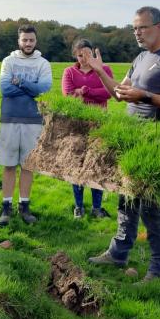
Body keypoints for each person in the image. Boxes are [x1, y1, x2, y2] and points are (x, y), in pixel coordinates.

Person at [87, 6, 160, 282]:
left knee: (152, 208)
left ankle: (158, 270)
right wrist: (99, 72)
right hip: (133, 138)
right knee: (126, 199)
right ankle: (118, 254)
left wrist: (145, 96)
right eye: (134, 28)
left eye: (142, 27)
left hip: (155, 141)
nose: (137, 33)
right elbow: (119, 94)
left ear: (159, 27)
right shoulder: (140, 57)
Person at [0, 25, 52, 225]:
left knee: (28, 165)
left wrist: (18, 82)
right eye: (24, 40)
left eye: (31, 40)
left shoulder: (43, 63)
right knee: (9, 165)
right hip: (10, 119)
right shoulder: (8, 61)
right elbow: (5, 88)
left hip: (34, 120)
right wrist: (31, 88)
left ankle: (25, 207)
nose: (27, 43)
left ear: (35, 42)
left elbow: (44, 89)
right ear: (18, 41)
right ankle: (6, 207)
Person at [62, 38, 113, 219]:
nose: (84, 58)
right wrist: (79, 93)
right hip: (77, 124)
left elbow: (108, 92)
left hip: (100, 124)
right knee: (77, 164)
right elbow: (68, 95)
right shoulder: (69, 72)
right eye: (80, 55)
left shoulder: (104, 70)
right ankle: (79, 206)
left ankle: (97, 207)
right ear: (75, 55)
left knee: (96, 163)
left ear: (93, 53)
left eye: (87, 54)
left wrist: (84, 91)